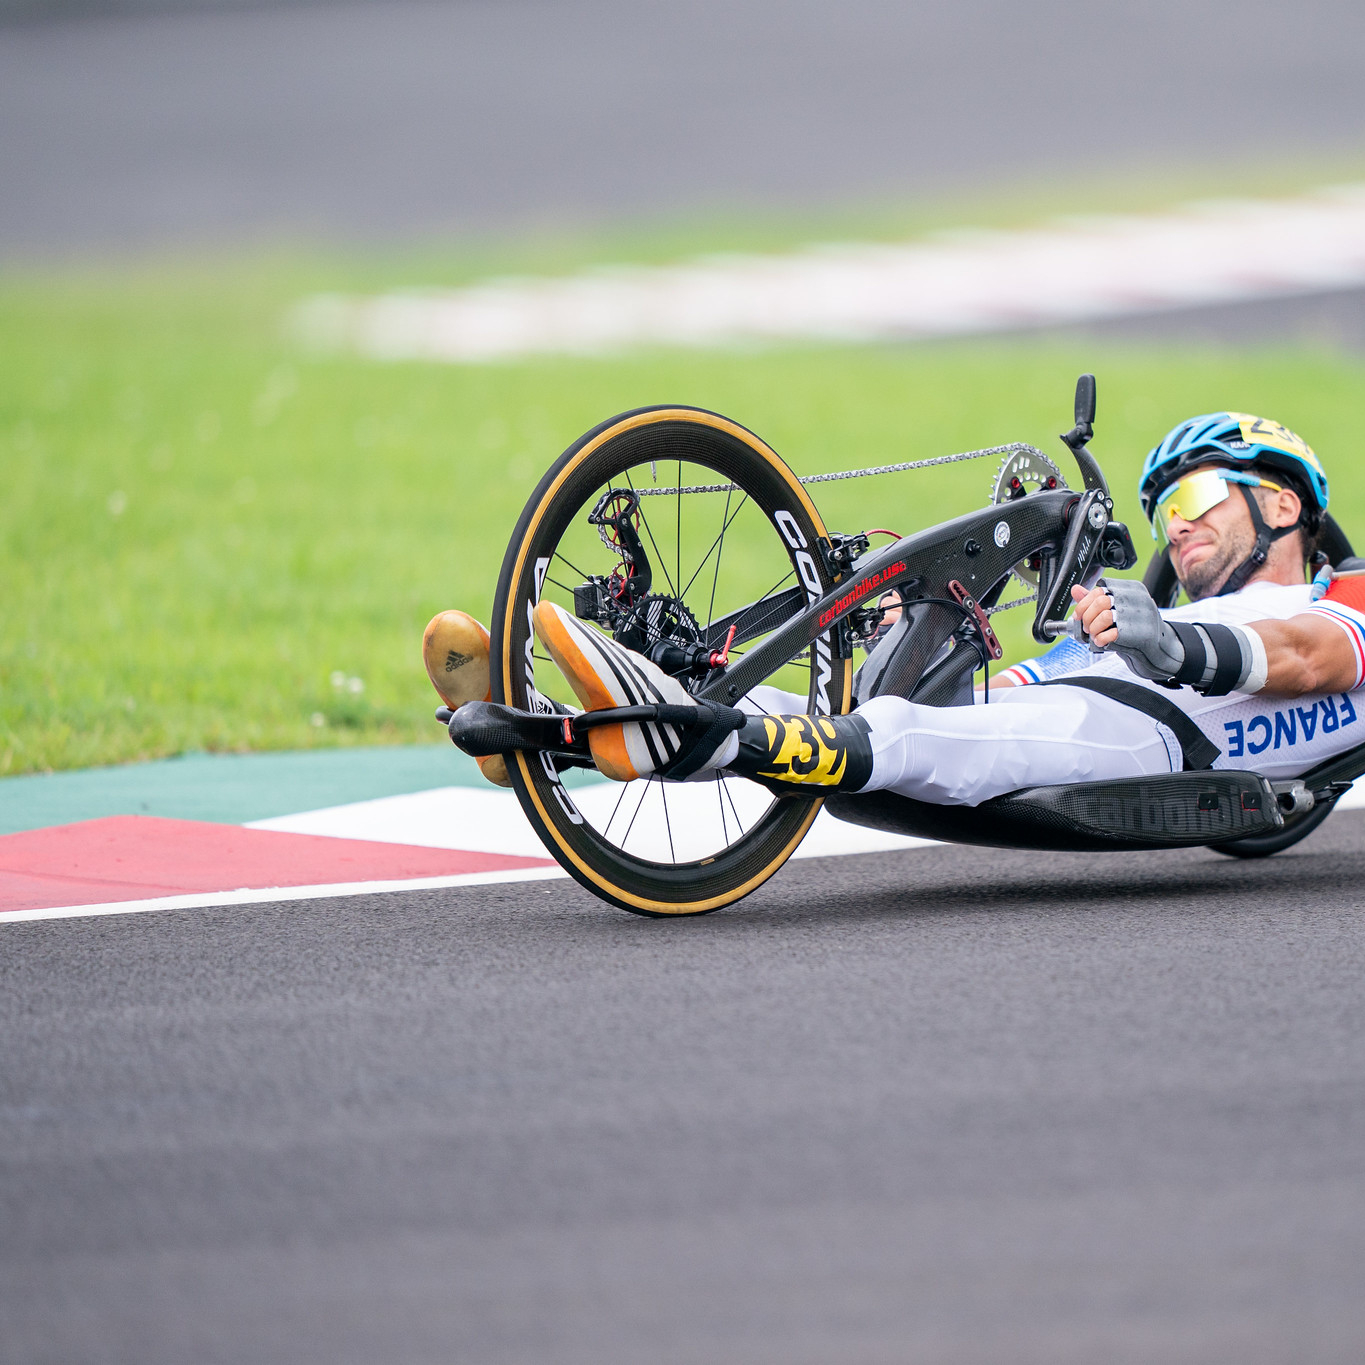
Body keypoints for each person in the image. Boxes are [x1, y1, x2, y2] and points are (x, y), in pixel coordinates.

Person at [432, 412, 1365, 803]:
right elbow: (1032, 684)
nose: (1177, 524)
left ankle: (659, 734)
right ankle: (556, 730)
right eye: (1166, 510)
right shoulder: (1141, 622)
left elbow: (1311, 656)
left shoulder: (1337, 598)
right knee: (868, 708)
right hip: (1084, 701)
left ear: (1281, 504)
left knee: (910, 738)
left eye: (1196, 496)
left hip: (1157, 739)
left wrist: (1176, 646)